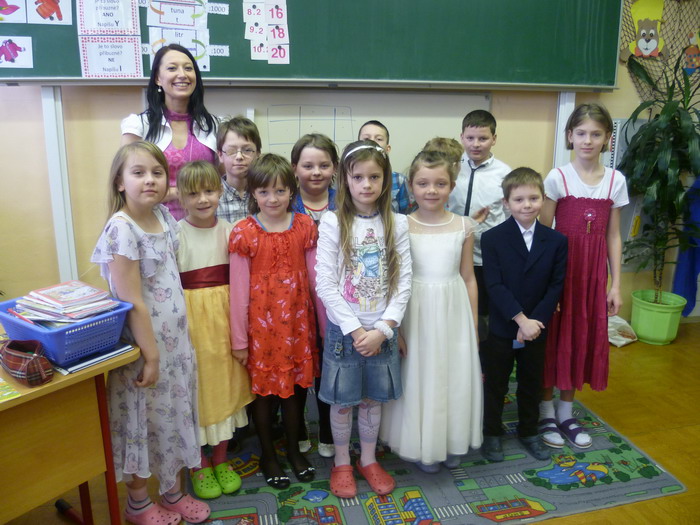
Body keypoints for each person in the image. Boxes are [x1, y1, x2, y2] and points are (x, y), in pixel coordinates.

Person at [91, 142, 210, 525]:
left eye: (157, 173)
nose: (150, 180)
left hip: (175, 346)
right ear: (120, 182)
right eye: (138, 173)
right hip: (144, 351)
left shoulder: (161, 215)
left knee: (171, 419)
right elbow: (133, 302)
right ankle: (138, 502)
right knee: (142, 422)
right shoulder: (121, 229)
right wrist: (152, 356)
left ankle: (172, 491)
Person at [315, 140, 412, 499]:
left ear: (386, 180)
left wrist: (384, 329)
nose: (366, 184)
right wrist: (357, 331)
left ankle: (368, 459)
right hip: (345, 334)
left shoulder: (397, 223)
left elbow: (404, 282)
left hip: (383, 331)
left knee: (372, 400)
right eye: (358, 177)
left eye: (375, 177)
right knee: (343, 402)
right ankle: (342, 461)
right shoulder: (332, 221)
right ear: (345, 178)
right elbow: (325, 283)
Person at [380, 150, 482, 472]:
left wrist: (473, 323)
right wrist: (396, 329)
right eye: (423, 183)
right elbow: (394, 279)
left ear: (452, 186)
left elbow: (468, 277)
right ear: (411, 186)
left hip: (454, 311)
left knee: (453, 375)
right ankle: (422, 443)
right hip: (416, 311)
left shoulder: (464, 226)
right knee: (420, 374)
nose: (431, 190)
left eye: (440, 183)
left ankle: (450, 440)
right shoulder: (401, 225)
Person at [539, 103, 629, 449]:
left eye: (595, 134)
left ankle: (566, 411)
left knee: (579, 337)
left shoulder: (616, 181)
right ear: (570, 136)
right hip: (561, 272)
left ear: (607, 139)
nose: (588, 140)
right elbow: (543, 233)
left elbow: (614, 236)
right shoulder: (557, 177)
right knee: (555, 338)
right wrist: (545, 283)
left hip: (592, 277)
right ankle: (545, 409)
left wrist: (616, 284)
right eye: (581, 133)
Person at [229, 154, 320, 489]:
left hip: (297, 326)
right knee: (264, 396)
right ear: (253, 193)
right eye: (264, 191)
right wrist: (240, 340)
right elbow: (238, 291)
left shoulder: (305, 226)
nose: (272, 199)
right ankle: (268, 455)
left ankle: (294, 451)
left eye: (280, 190)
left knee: (295, 391)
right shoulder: (244, 232)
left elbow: (315, 281)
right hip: (262, 331)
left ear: (291, 191)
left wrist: (323, 328)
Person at [175, 161, 254, 499]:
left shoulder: (231, 231)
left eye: (209, 191)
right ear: (181, 197)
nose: (203, 199)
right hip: (191, 326)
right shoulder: (175, 234)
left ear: (220, 192)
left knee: (225, 388)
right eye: (193, 193)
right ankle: (198, 463)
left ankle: (221, 458)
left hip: (226, 322)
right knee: (197, 391)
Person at [480, 168, 568, 462]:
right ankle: (492, 433)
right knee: (496, 382)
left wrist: (534, 323)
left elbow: (555, 285)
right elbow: (494, 284)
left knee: (531, 382)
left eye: (533, 198)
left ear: (543, 199)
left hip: (538, 326)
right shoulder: (492, 238)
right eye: (519, 199)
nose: (527, 205)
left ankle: (529, 431)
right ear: (506, 203)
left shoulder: (556, 240)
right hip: (504, 325)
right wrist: (520, 319)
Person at [121, 44, 218, 221]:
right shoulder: (138, 126)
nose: (182, 74)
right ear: (158, 78)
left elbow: (222, 180)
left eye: (188, 68)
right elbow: (130, 186)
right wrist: (180, 192)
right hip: (154, 225)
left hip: (204, 225)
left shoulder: (213, 125)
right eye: (172, 68)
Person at [290, 133, 339, 458]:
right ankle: (296, 429)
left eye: (324, 165)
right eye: (308, 165)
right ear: (295, 168)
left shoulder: (345, 203)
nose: (316, 172)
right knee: (296, 363)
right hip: (293, 299)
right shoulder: (284, 201)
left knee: (329, 364)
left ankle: (327, 429)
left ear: (334, 168)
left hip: (334, 300)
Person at [447, 110, 512, 341]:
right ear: (462, 137)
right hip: (452, 255)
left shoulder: (504, 174)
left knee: (482, 316)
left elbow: (509, 218)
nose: (476, 144)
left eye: (483, 138)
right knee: (452, 313)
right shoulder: (451, 168)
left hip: (486, 259)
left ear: (494, 139)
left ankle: (480, 358)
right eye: (470, 138)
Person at [358, 120, 413, 214]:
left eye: (379, 139)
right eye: (366, 138)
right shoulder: (349, 178)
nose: (372, 142)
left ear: (387, 149)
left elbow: (407, 214)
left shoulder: (399, 180)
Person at [216, 116, 261, 224]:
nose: (239, 156)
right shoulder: (211, 198)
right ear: (220, 155)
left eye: (247, 150)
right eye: (231, 150)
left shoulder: (265, 194)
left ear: (258, 154)